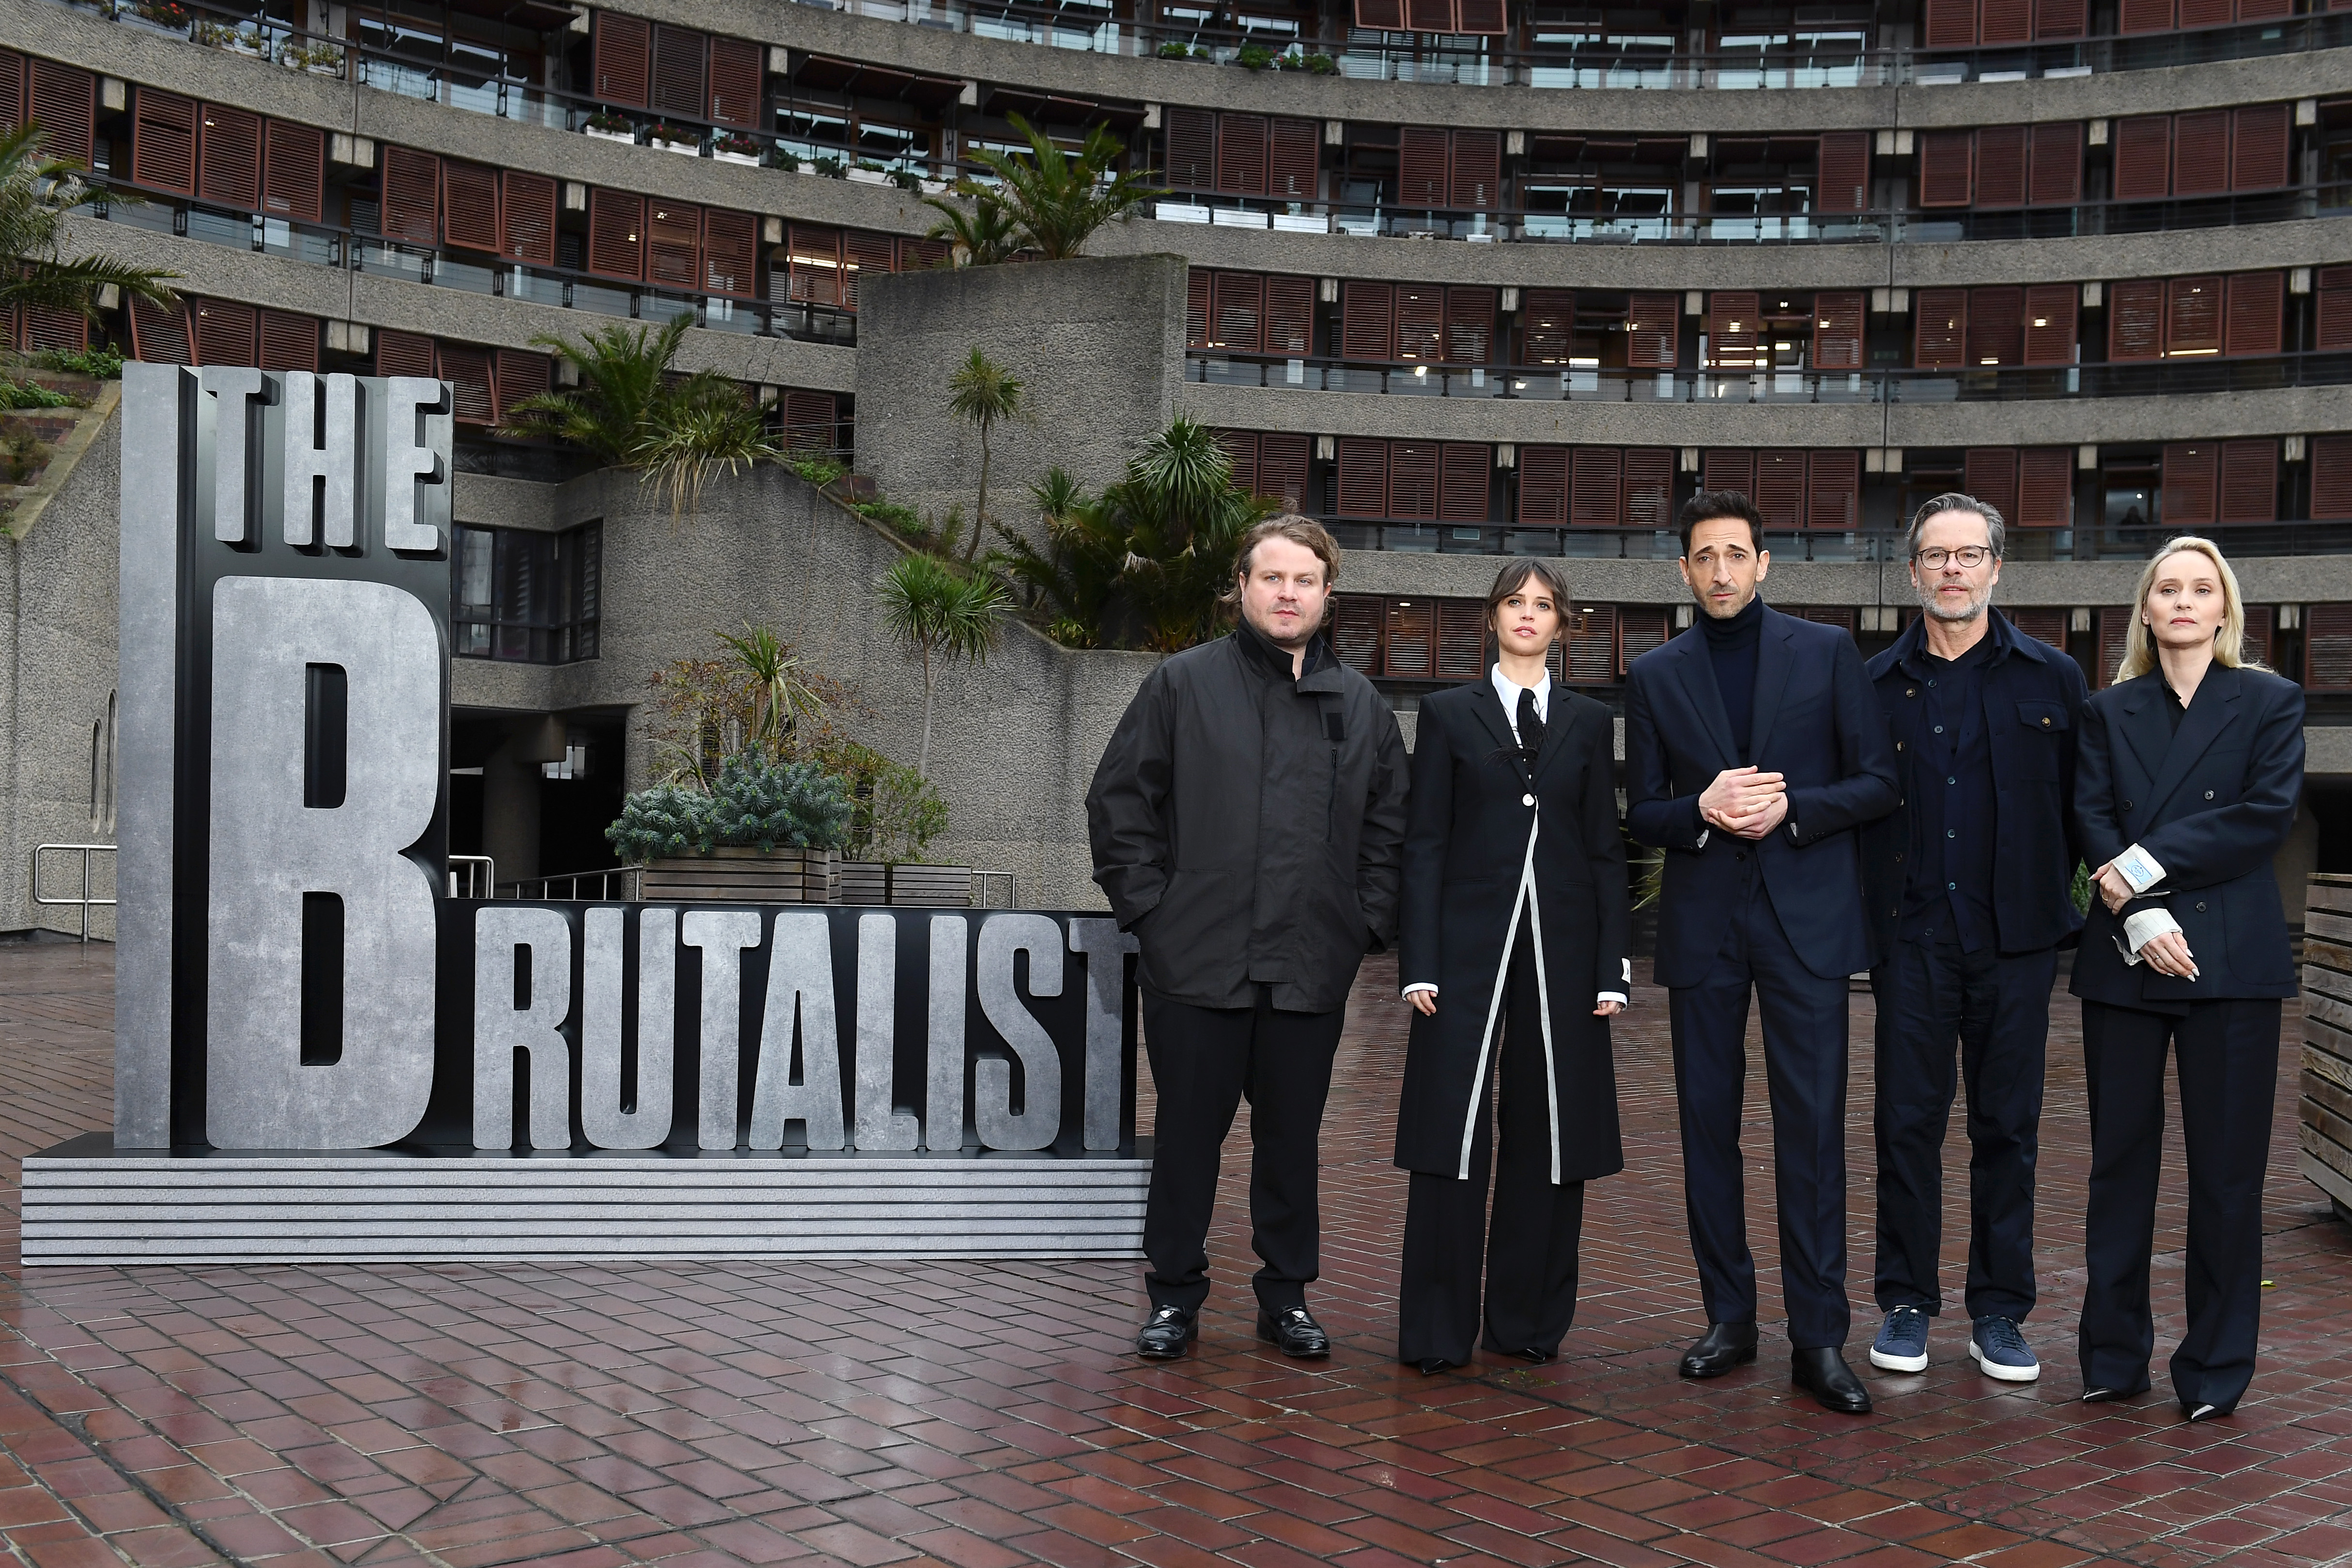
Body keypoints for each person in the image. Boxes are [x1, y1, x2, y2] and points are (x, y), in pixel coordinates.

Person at [1087, 515, 1409, 1361]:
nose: (1288, 594)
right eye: (1272, 578)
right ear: (1241, 585)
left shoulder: (1363, 705)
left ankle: (1286, 1295)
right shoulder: (1182, 685)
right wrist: (1154, 916)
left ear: (1329, 594)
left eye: (1305, 580)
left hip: (1309, 964)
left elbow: (1392, 829)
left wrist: (1361, 925)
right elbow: (1120, 805)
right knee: (1189, 1137)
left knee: (1292, 1141)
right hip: (1196, 963)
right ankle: (1173, 1296)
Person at [1625, 491, 1898, 1414]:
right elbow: (1642, 809)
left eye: (1736, 554)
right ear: (1685, 569)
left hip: (1805, 922)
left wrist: (1798, 810)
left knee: (1813, 1133)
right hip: (1705, 925)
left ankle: (1818, 1338)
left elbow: (1878, 782)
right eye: (1705, 557)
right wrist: (1698, 810)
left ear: (1764, 562)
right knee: (1708, 1128)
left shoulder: (1824, 653)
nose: (1722, 571)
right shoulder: (1656, 672)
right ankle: (1729, 1320)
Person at [2071, 536, 2303, 1422]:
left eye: (2201, 589)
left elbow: (2264, 816)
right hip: (2126, 960)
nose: (2183, 600)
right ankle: (2113, 1356)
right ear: (2146, 607)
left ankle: (2214, 1368)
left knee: (2227, 1176)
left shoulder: (2271, 700)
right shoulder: (2106, 709)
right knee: (2119, 1167)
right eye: (2167, 587)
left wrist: (2141, 869)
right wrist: (2136, 915)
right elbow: (2086, 812)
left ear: (2224, 609)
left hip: (2232, 964)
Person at [1859, 494, 2089, 1386]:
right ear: (1912, 571)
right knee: (1907, 1127)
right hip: (1911, 941)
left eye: (1970, 554)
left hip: (2018, 942)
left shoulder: (2053, 679)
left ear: (1997, 566)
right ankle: (1907, 1302)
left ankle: (2000, 1311)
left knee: (2009, 1129)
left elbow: (2085, 809)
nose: (1953, 569)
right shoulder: (1873, 685)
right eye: (1935, 556)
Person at [1392, 562, 1632, 1375]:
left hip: (1564, 957)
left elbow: (1606, 849)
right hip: (1463, 957)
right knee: (1450, 1132)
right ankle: (1434, 1331)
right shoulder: (1447, 713)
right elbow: (1422, 844)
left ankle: (1527, 1321)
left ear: (1564, 624)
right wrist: (1417, 959)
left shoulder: (1591, 722)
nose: (1528, 615)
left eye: (1543, 605)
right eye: (1513, 602)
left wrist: (1613, 966)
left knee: (1551, 1132)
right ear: (1490, 616)